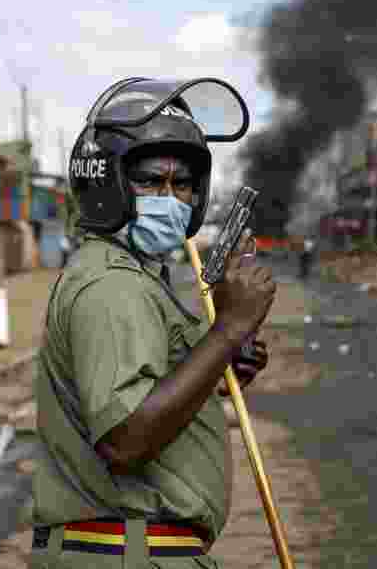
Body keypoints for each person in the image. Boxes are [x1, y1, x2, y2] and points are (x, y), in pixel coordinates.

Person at [31, 78, 276, 568]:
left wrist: (216, 366)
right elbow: (125, 442)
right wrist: (228, 330)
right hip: (127, 552)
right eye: (151, 181)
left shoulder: (137, 277)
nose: (171, 198)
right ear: (107, 182)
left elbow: (149, 389)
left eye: (182, 184)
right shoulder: (111, 285)